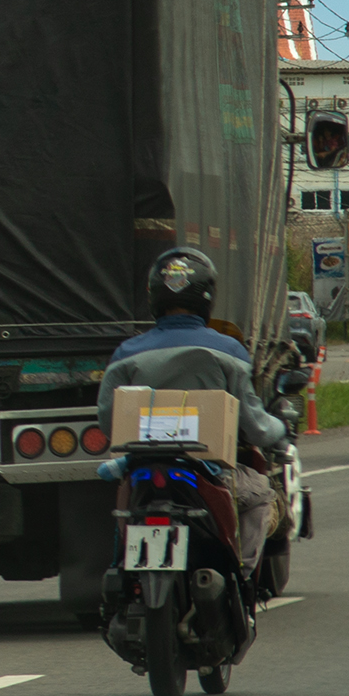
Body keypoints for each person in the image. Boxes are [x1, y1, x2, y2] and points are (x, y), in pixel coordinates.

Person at [100, 245, 290, 583]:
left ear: (154, 296)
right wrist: (281, 428)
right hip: (209, 472)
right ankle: (242, 577)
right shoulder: (228, 350)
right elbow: (256, 428)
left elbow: (108, 422)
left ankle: (122, 575)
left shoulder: (125, 353)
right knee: (262, 494)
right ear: (207, 298)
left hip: (142, 474)